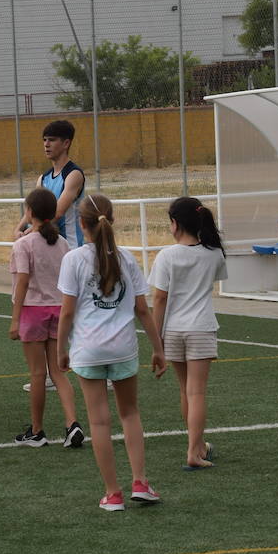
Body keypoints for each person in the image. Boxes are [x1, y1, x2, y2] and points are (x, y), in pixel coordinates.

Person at [57, 194, 166, 511]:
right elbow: (143, 311)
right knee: (130, 414)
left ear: (81, 223)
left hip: (88, 350)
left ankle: (113, 493)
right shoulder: (128, 259)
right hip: (123, 349)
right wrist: (158, 350)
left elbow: (66, 313)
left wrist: (61, 349)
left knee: (99, 422)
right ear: (112, 220)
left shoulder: (74, 260)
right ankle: (140, 482)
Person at [150, 196, 227, 471]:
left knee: (186, 391)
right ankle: (195, 449)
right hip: (201, 327)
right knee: (197, 393)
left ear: (175, 224)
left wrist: (156, 340)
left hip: (173, 329)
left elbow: (159, 299)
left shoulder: (167, 255)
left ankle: (197, 446)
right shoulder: (214, 253)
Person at [9, 188, 82, 448]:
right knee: (59, 372)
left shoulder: (23, 244)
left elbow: (22, 283)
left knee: (38, 374)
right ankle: (72, 423)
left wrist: (15, 320)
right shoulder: (62, 243)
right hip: (58, 310)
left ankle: (37, 431)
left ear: (29, 212)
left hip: (33, 310)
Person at [14, 120, 86, 246]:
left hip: (69, 246)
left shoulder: (73, 175)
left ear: (66, 143)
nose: (46, 144)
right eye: (44, 140)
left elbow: (57, 213)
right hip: (47, 245)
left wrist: (32, 231)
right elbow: (33, 210)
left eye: (52, 140)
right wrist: (18, 229)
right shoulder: (43, 178)